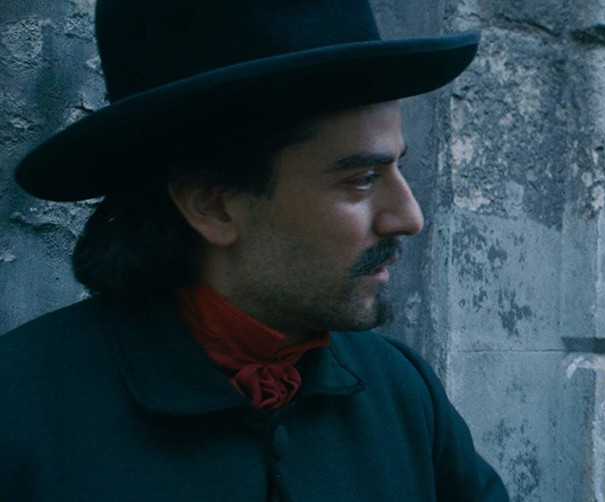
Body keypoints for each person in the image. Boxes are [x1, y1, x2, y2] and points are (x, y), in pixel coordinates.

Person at [0, 0, 509, 500]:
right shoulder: (20, 413)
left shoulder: (402, 394)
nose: (409, 217)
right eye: (361, 179)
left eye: (398, 167)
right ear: (214, 206)